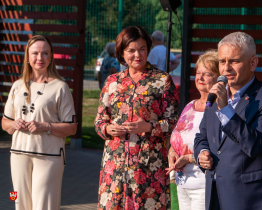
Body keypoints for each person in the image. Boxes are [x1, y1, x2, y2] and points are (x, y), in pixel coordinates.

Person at [194, 32, 262, 210]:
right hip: (216, 196)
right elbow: (201, 136)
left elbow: (255, 145)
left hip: (251, 200)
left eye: (234, 61)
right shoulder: (215, 96)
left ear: (253, 63)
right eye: (222, 61)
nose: (226, 68)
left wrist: (226, 109)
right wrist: (202, 153)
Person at [95, 26, 179, 210]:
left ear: (148, 49)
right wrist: (108, 129)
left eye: (142, 49)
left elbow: (173, 122)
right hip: (115, 166)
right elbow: (100, 121)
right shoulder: (112, 82)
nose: (137, 55)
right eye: (131, 50)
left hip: (148, 167)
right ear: (121, 52)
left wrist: (149, 127)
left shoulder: (162, 80)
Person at [1, 35, 77, 210]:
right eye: (35, 53)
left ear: (51, 57)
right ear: (28, 57)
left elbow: (72, 128)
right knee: (19, 203)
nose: (39, 58)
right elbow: (5, 122)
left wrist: (45, 126)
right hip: (19, 154)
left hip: (48, 156)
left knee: (43, 205)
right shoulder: (18, 85)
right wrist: (14, 125)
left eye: (45, 53)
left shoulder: (60, 87)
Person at [166, 50, 219, 210]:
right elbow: (177, 140)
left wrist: (189, 158)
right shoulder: (190, 105)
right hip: (183, 183)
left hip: (203, 184)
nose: (200, 77)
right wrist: (172, 153)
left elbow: (219, 150)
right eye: (198, 72)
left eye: (207, 74)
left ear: (219, 78)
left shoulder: (219, 109)